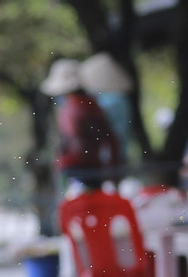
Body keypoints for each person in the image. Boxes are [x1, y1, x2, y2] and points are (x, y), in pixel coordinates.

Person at [46, 57, 127, 190]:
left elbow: (104, 138)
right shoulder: (84, 105)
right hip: (84, 168)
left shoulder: (79, 106)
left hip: (82, 169)